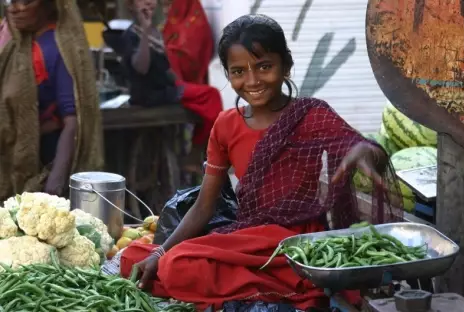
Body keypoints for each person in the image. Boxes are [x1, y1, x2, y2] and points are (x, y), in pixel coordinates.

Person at [120, 14, 402, 310]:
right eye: (239, 71)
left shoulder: (310, 115)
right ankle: (258, 285)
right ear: (228, 75)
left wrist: (363, 153)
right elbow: (204, 206)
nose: (253, 80)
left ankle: (275, 285)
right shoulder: (225, 125)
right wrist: (161, 251)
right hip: (250, 237)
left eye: (264, 66)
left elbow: (367, 149)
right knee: (138, 258)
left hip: (297, 245)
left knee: (178, 266)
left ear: (286, 66)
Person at [0, 0, 103, 201]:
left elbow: (72, 120)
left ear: (48, 5)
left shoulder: (59, 48)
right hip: (9, 159)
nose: (15, 8)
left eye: (26, 2)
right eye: (11, 1)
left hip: (45, 157)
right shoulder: (13, 42)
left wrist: (56, 177)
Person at [105, 0, 222, 144]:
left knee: (208, 95)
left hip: (165, 88)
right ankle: (204, 147)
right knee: (211, 96)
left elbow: (165, 67)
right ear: (131, 5)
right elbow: (141, 67)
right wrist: (145, 32)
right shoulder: (131, 34)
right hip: (151, 95)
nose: (149, 2)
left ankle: (201, 147)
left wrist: (179, 85)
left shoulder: (156, 31)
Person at [160, 0, 214, 84]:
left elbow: (194, 59)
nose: (165, 10)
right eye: (163, 6)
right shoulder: (171, 23)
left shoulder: (197, 25)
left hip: (190, 83)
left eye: (168, 5)